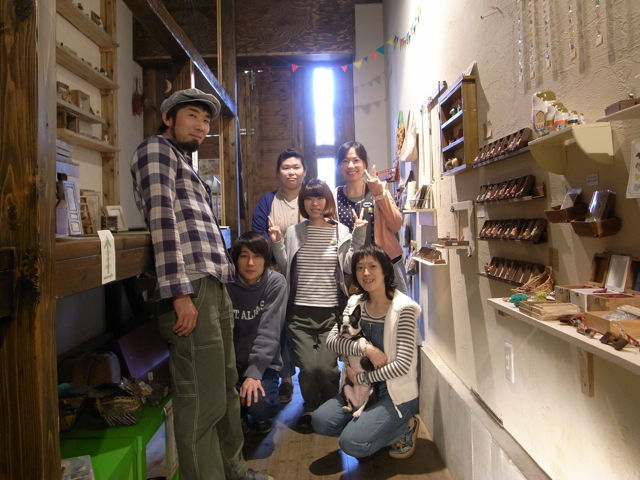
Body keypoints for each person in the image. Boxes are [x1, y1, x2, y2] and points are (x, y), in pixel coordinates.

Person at [130, 88, 273, 480]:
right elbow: (162, 221)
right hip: (190, 286)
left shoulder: (181, 161)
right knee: (200, 400)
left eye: (206, 120)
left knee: (224, 389)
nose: (201, 125)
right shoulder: (156, 150)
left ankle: (233, 471)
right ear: (168, 117)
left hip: (212, 284)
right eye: (192, 115)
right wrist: (179, 293)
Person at [268, 179, 367, 429]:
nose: (315, 203)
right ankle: (311, 407)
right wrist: (277, 241)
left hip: (331, 313)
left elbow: (348, 266)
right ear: (303, 202)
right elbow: (285, 266)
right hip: (299, 313)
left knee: (326, 367)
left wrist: (358, 234)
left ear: (327, 201)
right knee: (308, 367)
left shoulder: (340, 231)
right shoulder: (294, 232)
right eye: (310, 198)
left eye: (320, 197)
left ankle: (332, 406)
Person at [312, 244, 422, 460]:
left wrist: (362, 377)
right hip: (359, 389)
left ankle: (404, 427)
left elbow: (402, 365)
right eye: (360, 267)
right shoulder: (355, 303)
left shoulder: (404, 309)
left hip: (394, 392)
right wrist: (366, 348)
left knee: (352, 443)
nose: (366, 273)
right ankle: (370, 426)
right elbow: (332, 341)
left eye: (372, 266)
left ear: (385, 270)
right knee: (321, 421)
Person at [251, 149, 307, 404]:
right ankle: (286, 378)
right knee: (279, 324)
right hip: (277, 275)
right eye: (286, 167)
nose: (291, 172)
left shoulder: (312, 198)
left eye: (296, 167)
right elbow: (259, 237)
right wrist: (277, 249)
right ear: (278, 173)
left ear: (304, 171)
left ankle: (312, 376)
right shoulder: (268, 201)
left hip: (309, 273)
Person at [226, 232, 288, 435]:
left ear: (266, 259)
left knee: (260, 404)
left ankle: (258, 413)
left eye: (257, 256)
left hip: (264, 364)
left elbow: (270, 331)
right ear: (235, 259)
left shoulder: (275, 283)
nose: (250, 263)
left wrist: (254, 373)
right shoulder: (226, 283)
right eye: (244, 256)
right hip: (230, 364)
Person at [335, 141, 408, 295]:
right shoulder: (334, 196)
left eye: (356, 160)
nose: (350, 165)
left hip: (386, 265)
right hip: (354, 271)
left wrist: (379, 194)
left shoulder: (378, 190)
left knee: (396, 308)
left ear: (364, 163)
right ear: (339, 165)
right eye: (345, 161)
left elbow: (396, 224)